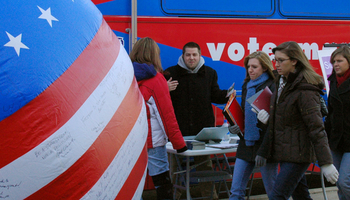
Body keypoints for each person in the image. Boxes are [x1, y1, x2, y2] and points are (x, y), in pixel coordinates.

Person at [255, 41, 339, 199]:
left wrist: (326, 163)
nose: (277, 64)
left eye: (281, 60)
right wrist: (269, 120)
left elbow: (316, 128)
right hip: (287, 152)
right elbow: (287, 118)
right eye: (275, 60)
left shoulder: (305, 89)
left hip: (299, 154)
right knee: (301, 196)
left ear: (294, 61)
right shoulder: (282, 82)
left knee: (277, 196)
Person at [164, 42, 228, 200]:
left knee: (205, 165)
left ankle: (210, 197)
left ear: (200, 55)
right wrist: (165, 88)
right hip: (178, 130)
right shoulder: (170, 73)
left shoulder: (210, 73)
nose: (191, 58)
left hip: (203, 131)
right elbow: (160, 99)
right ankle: (174, 196)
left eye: (194, 55)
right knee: (174, 169)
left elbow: (215, 95)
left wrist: (228, 94)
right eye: (188, 55)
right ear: (183, 56)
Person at [130, 37, 188, 200]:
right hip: (152, 140)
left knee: (133, 184)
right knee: (162, 182)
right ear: (154, 55)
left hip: (130, 141)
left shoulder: (126, 75)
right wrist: (179, 144)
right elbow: (166, 114)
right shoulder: (156, 80)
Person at [227, 51, 278, 199]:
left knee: (273, 191)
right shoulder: (246, 85)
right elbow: (244, 114)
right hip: (246, 142)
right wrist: (235, 125)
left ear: (265, 68)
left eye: (254, 67)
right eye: (248, 66)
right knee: (235, 190)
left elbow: (276, 120)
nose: (250, 70)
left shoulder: (272, 85)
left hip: (265, 144)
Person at [325, 45, 350, 200]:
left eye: (339, 61)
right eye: (333, 61)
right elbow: (330, 112)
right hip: (336, 140)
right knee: (339, 184)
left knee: (344, 182)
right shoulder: (333, 81)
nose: (335, 64)